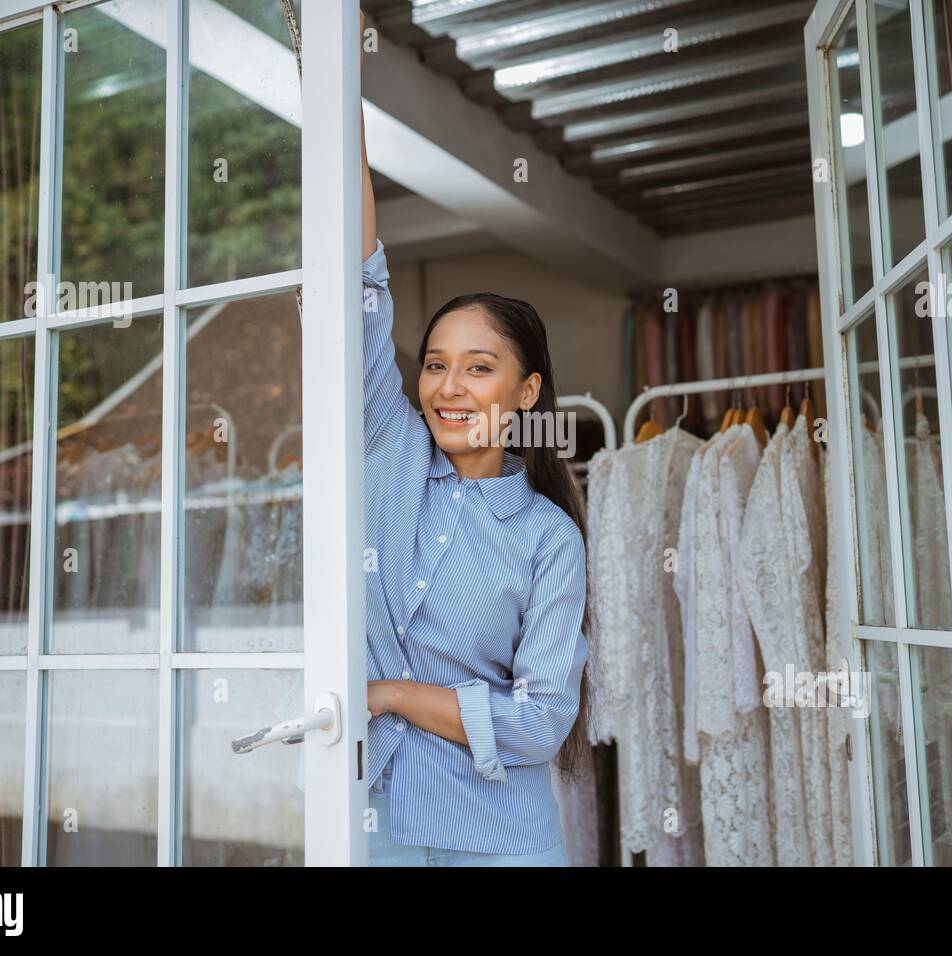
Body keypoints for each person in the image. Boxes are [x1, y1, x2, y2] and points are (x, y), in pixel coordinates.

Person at [357, 11, 592, 867]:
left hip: (503, 844)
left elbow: (537, 723)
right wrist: (339, 87)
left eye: (479, 368)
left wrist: (387, 692)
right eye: (435, 364)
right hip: (374, 824)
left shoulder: (547, 538)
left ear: (525, 392)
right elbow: (360, 279)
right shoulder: (390, 448)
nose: (449, 387)